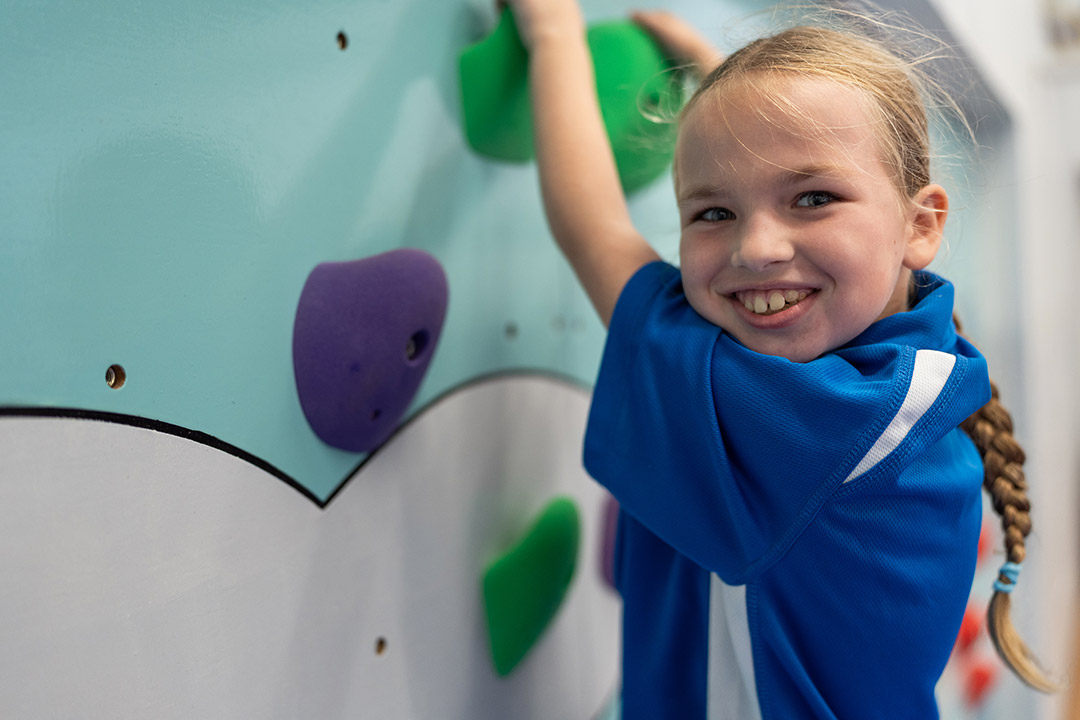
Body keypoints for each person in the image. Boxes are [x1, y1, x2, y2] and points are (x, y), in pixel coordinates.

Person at [500, 0, 1054, 716]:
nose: (756, 248)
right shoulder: (911, 371)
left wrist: (552, 35)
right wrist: (720, 88)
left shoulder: (820, 427)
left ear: (920, 226)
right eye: (713, 213)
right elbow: (780, 184)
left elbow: (594, 233)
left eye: (813, 198)